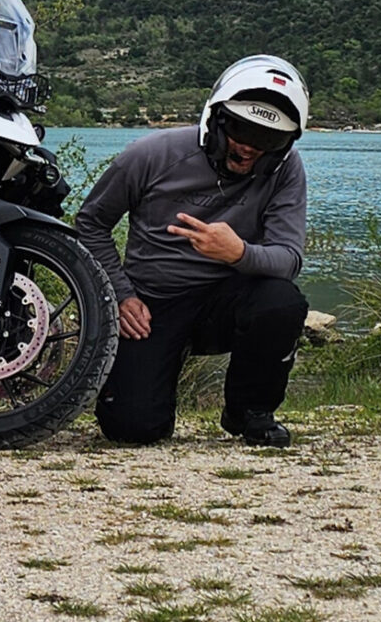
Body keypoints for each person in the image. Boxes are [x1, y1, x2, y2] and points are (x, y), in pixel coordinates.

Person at [73, 55, 312, 447]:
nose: (249, 146)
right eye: (240, 128)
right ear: (217, 120)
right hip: (151, 306)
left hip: (225, 302)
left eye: (267, 140)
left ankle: (249, 412)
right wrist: (119, 294)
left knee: (281, 301)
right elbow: (91, 223)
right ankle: (150, 380)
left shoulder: (286, 170)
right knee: (133, 429)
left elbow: (289, 259)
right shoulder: (152, 154)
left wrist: (237, 253)